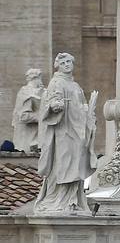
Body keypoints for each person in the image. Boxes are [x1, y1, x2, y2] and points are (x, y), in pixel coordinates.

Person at [34, 52, 97, 215]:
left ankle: (72, 199)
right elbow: (49, 103)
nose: (68, 65)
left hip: (78, 130)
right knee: (63, 163)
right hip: (63, 130)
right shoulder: (56, 83)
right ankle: (57, 199)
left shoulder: (76, 86)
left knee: (76, 162)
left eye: (70, 62)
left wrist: (87, 111)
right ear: (58, 66)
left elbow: (81, 104)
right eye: (64, 62)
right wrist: (54, 106)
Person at [10, 67, 44, 154]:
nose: (41, 80)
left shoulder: (40, 91)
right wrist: (43, 116)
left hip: (36, 139)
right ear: (35, 78)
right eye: (40, 78)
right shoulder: (25, 92)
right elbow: (24, 116)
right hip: (27, 141)